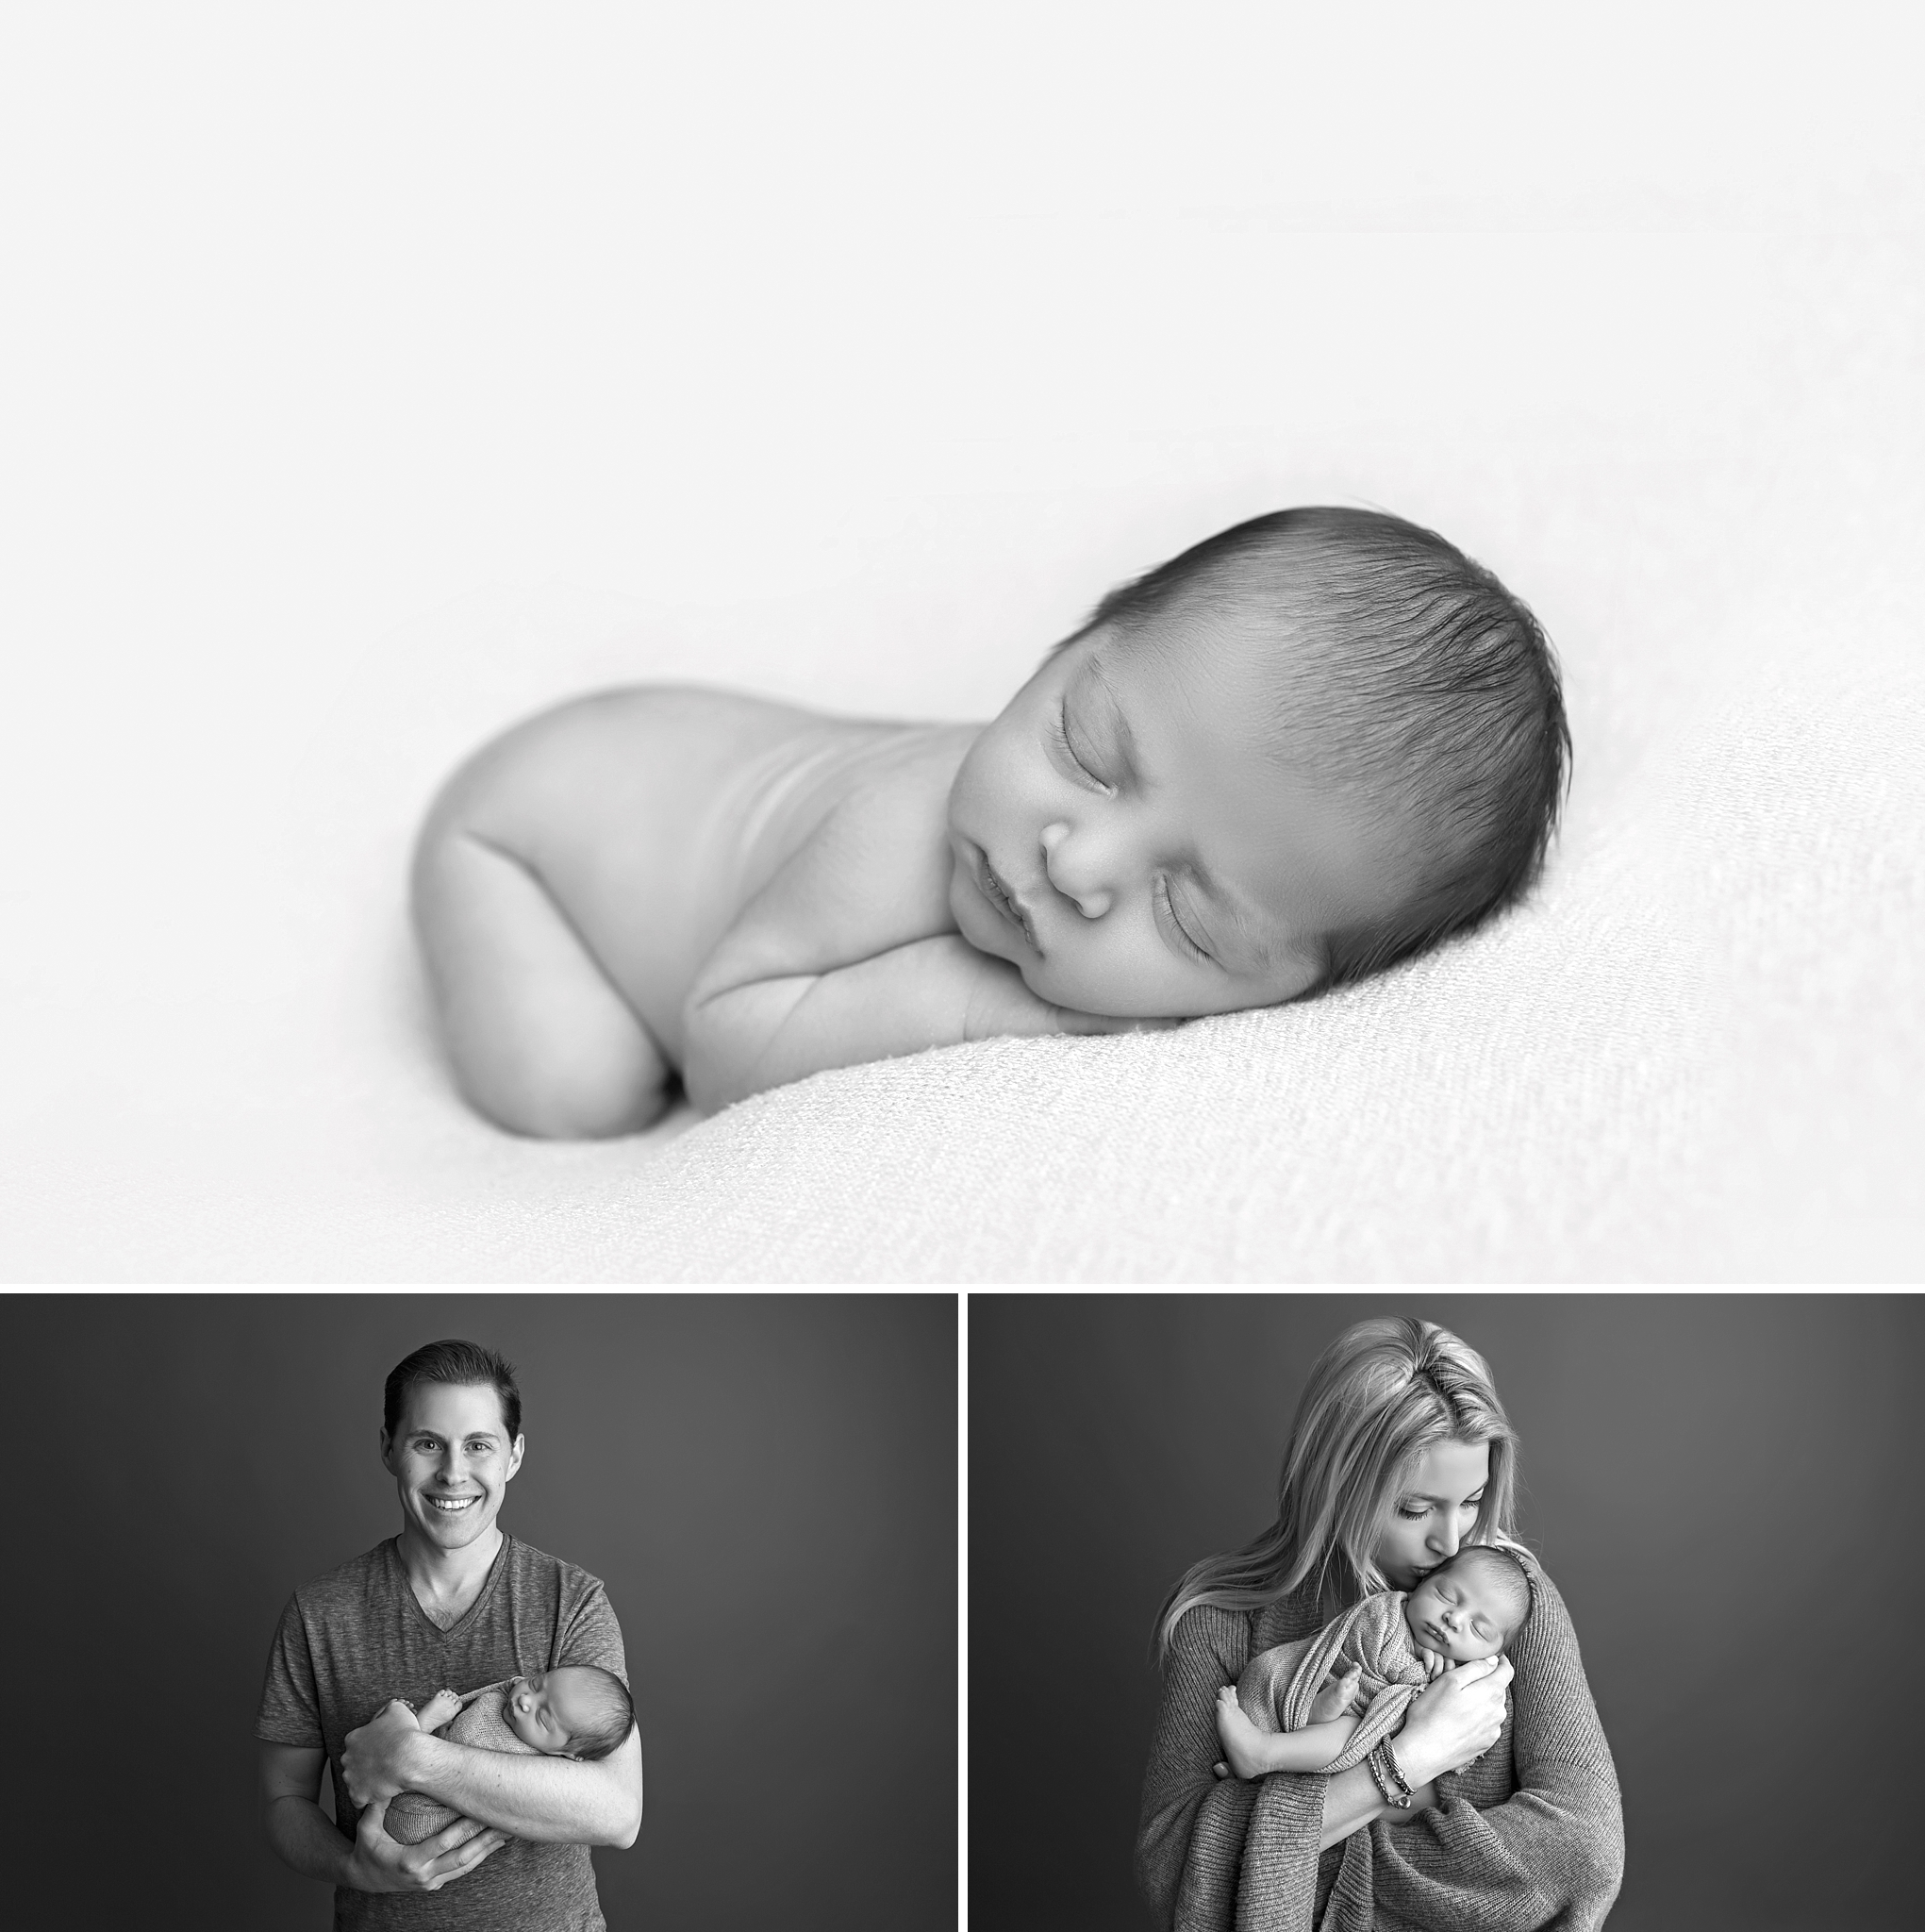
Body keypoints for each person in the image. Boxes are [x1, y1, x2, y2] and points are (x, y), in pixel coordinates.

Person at [410, 506, 1568, 1132]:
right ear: (1066, 645)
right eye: (1084, 748)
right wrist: (971, 1002)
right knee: (583, 1090)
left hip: (649, 762)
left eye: (1188, 914)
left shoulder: (1052, 819)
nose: (1078, 859)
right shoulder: (891, 832)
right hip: (530, 829)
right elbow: (718, 1043)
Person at [1137, 1316, 1621, 1932]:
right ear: (1335, 1485)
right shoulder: (1219, 1621)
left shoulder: (1507, 1600)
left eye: (1472, 1500)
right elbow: (1173, 1870)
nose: (1450, 1541)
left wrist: (1277, 1851)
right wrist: (1408, 1760)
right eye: (1414, 1509)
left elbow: (1582, 1855)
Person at [257, 1340, 643, 1929]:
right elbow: (285, 1801)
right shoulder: (319, 1614)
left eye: (478, 1445)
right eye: (428, 1443)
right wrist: (355, 1868)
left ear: (513, 1455)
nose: (453, 1473)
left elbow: (617, 1813)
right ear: (389, 1448)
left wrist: (417, 1759)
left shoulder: (573, 1602)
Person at [1213, 1544, 1532, 1780]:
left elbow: (1457, 1746)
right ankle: (1265, 1748)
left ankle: (1262, 1760)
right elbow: (1361, 1641)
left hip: (1351, 1735)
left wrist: (1432, 1690)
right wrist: (1417, 1676)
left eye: (1478, 1629)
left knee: (1351, 1731)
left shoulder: (1475, 1685)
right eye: (1446, 1596)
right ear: (1420, 1585)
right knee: (1325, 1708)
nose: (1454, 1618)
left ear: (1492, 1656)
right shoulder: (1388, 1614)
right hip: (1296, 1686)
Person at [383, 1667, 637, 1846]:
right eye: (537, 1684)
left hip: (418, 1820)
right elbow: (510, 1685)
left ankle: (412, 1731)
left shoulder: (529, 1758)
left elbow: (621, 1818)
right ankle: (408, 1732)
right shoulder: (518, 1702)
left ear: (566, 1754)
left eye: (542, 1718)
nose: (526, 1699)